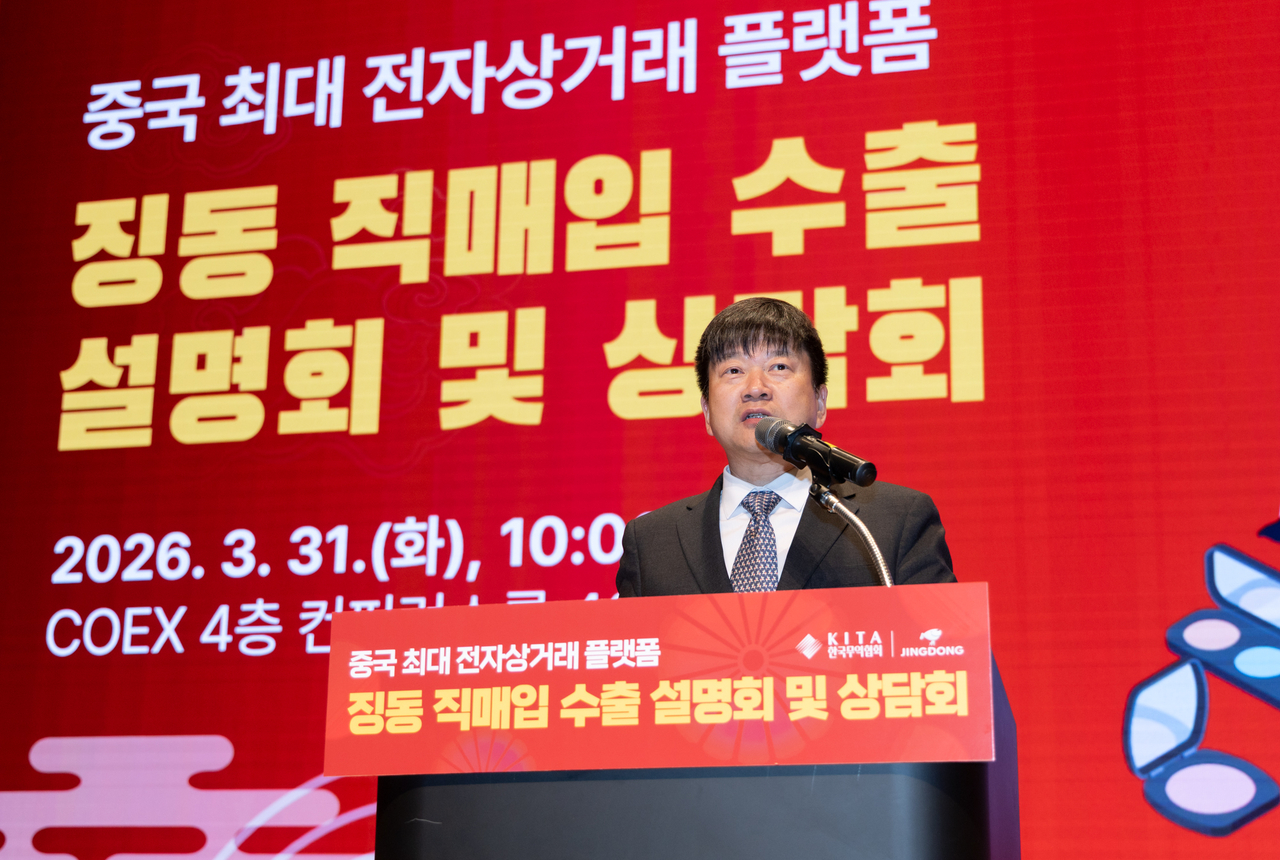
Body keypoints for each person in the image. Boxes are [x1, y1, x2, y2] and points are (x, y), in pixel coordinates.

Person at [616, 297, 955, 596]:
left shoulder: (893, 522)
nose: (755, 388)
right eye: (733, 370)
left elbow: (943, 640)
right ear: (706, 412)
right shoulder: (651, 543)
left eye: (779, 367)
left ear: (819, 402)